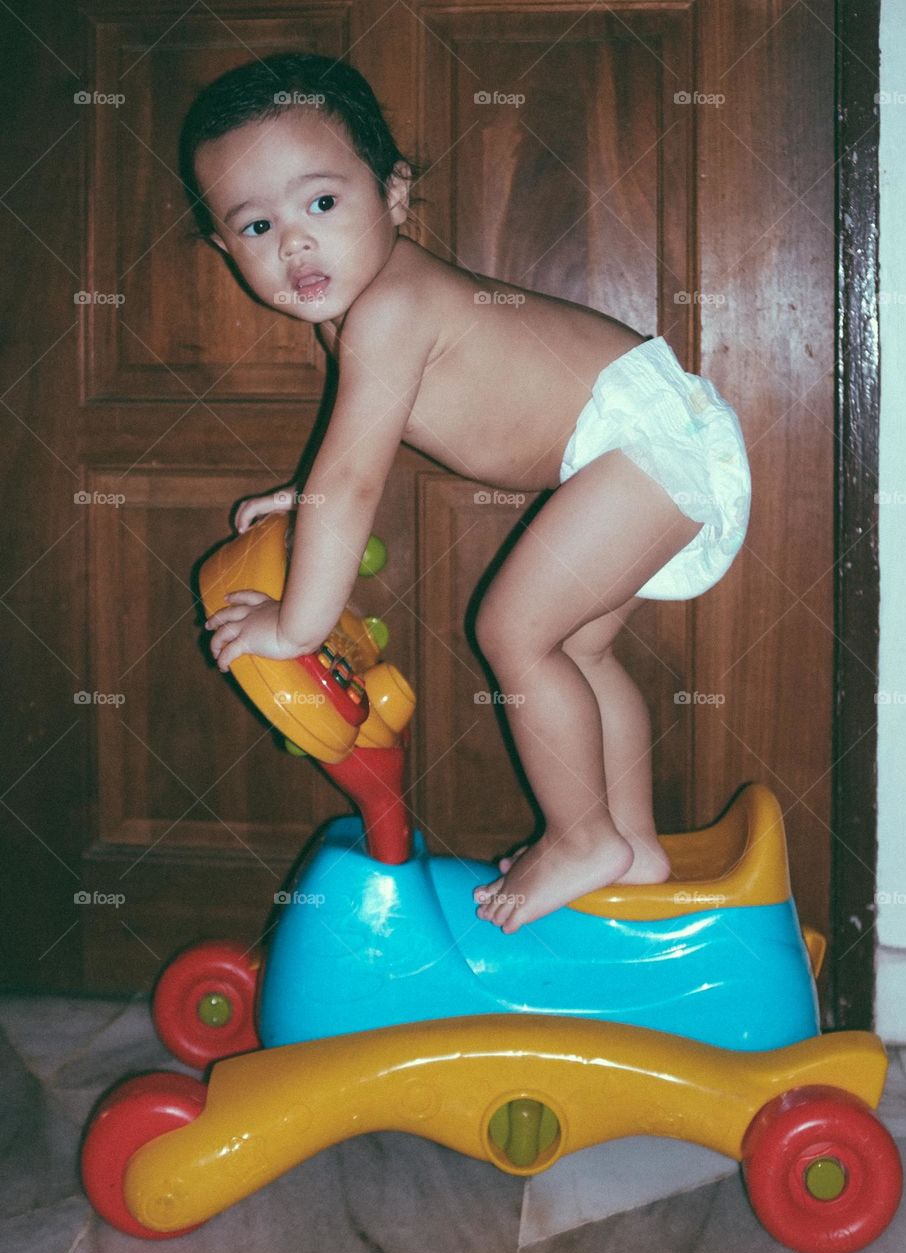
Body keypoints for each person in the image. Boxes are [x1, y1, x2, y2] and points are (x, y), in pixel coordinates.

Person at [188, 53, 751, 933]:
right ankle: (631, 846)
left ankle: (581, 837)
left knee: (513, 631)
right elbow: (349, 458)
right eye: (256, 225)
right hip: (647, 443)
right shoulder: (364, 319)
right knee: (579, 651)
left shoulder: (390, 309)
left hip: (643, 441)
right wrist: (306, 497)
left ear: (396, 197)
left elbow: (354, 477)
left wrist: (294, 625)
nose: (293, 241)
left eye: (322, 203)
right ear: (225, 249)